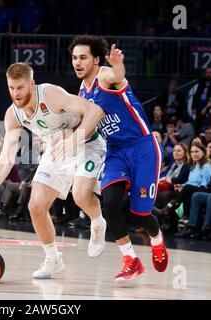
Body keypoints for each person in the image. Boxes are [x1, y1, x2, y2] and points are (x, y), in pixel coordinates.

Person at [0, 63, 106, 279]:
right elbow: (7, 156)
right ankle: (53, 260)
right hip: (57, 150)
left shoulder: (51, 94)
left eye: (20, 87)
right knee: (36, 206)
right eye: (11, 88)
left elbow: (95, 111)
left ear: (31, 83)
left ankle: (97, 221)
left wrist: (73, 139)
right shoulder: (13, 114)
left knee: (81, 195)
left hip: (87, 143)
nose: (15, 93)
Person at [69, 35, 168, 282]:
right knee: (111, 202)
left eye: (83, 58)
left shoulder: (105, 76)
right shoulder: (82, 90)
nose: (77, 63)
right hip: (115, 151)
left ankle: (157, 239)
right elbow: (90, 125)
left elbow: (118, 75)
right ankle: (130, 260)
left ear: (95, 60)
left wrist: (117, 64)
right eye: (74, 58)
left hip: (142, 148)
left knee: (140, 216)